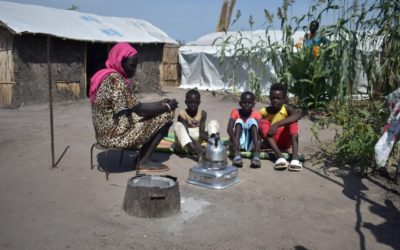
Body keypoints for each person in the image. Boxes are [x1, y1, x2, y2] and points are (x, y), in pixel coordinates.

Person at [90, 42, 178, 172]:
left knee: (156, 112)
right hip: (114, 136)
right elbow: (140, 110)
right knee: (167, 115)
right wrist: (167, 107)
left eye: (136, 66)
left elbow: (135, 106)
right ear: (120, 61)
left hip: (106, 133)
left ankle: (142, 158)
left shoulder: (106, 75)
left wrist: (160, 103)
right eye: (131, 65)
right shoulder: (115, 80)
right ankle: (144, 161)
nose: (134, 70)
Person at [258, 84, 302, 171]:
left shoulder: (286, 108)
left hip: (285, 141)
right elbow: (259, 129)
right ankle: (280, 158)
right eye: (273, 98)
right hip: (271, 142)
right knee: (263, 122)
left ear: (284, 99)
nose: (275, 101)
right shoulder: (264, 111)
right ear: (269, 98)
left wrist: (276, 125)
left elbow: (298, 115)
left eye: (278, 98)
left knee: (293, 123)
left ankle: (295, 159)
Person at [174, 89, 219, 156]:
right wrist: (195, 144)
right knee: (177, 125)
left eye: (195, 102)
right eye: (190, 102)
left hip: (198, 140)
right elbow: (185, 133)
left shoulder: (202, 113)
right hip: (186, 142)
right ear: (186, 102)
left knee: (213, 122)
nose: (193, 105)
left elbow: (202, 133)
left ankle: (213, 143)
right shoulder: (182, 114)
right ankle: (196, 150)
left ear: (199, 102)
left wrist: (208, 139)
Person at [227, 91, 262, 168]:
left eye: (249, 103)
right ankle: (237, 155)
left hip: (251, 142)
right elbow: (229, 129)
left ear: (253, 104)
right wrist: (234, 139)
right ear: (240, 103)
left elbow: (259, 130)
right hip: (238, 141)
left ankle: (256, 157)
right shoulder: (236, 112)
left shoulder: (256, 114)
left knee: (252, 121)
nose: (246, 104)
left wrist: (258, 141)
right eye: (244, 102)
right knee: (239, 121)